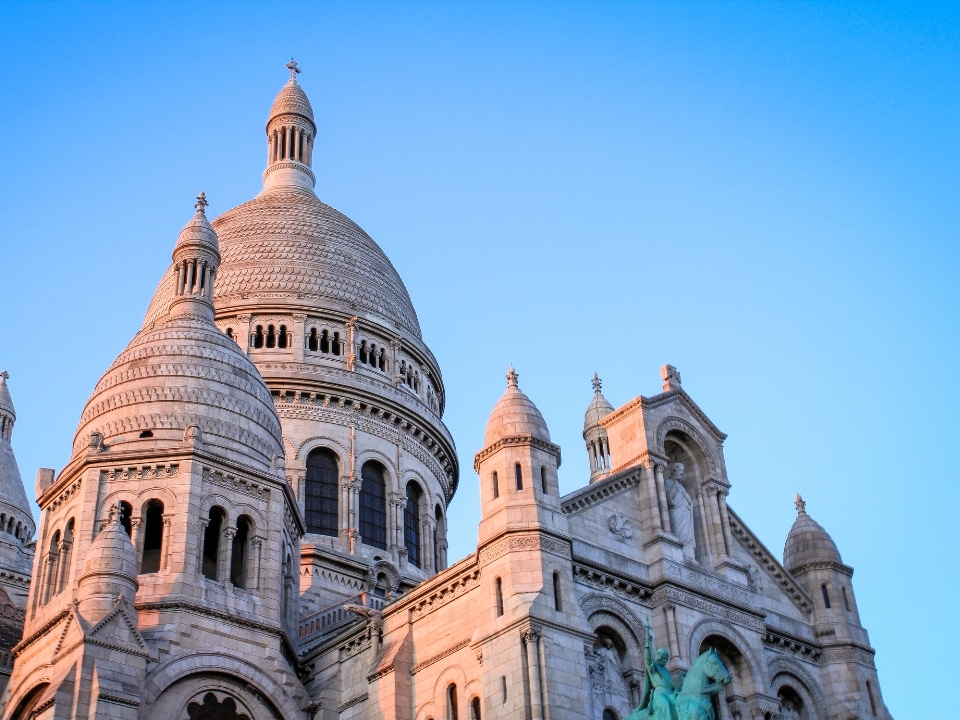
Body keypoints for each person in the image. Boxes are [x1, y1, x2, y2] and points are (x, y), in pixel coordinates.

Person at [632, 621, 678, 720]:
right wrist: (648, 644)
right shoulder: (654, 667)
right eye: (659, 655)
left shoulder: (666, 671)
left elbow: (673, 686)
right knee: (665, 705)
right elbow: (648, 660)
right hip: (660, 693)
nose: (660, 658)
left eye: (662, 657)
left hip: (670, 693)